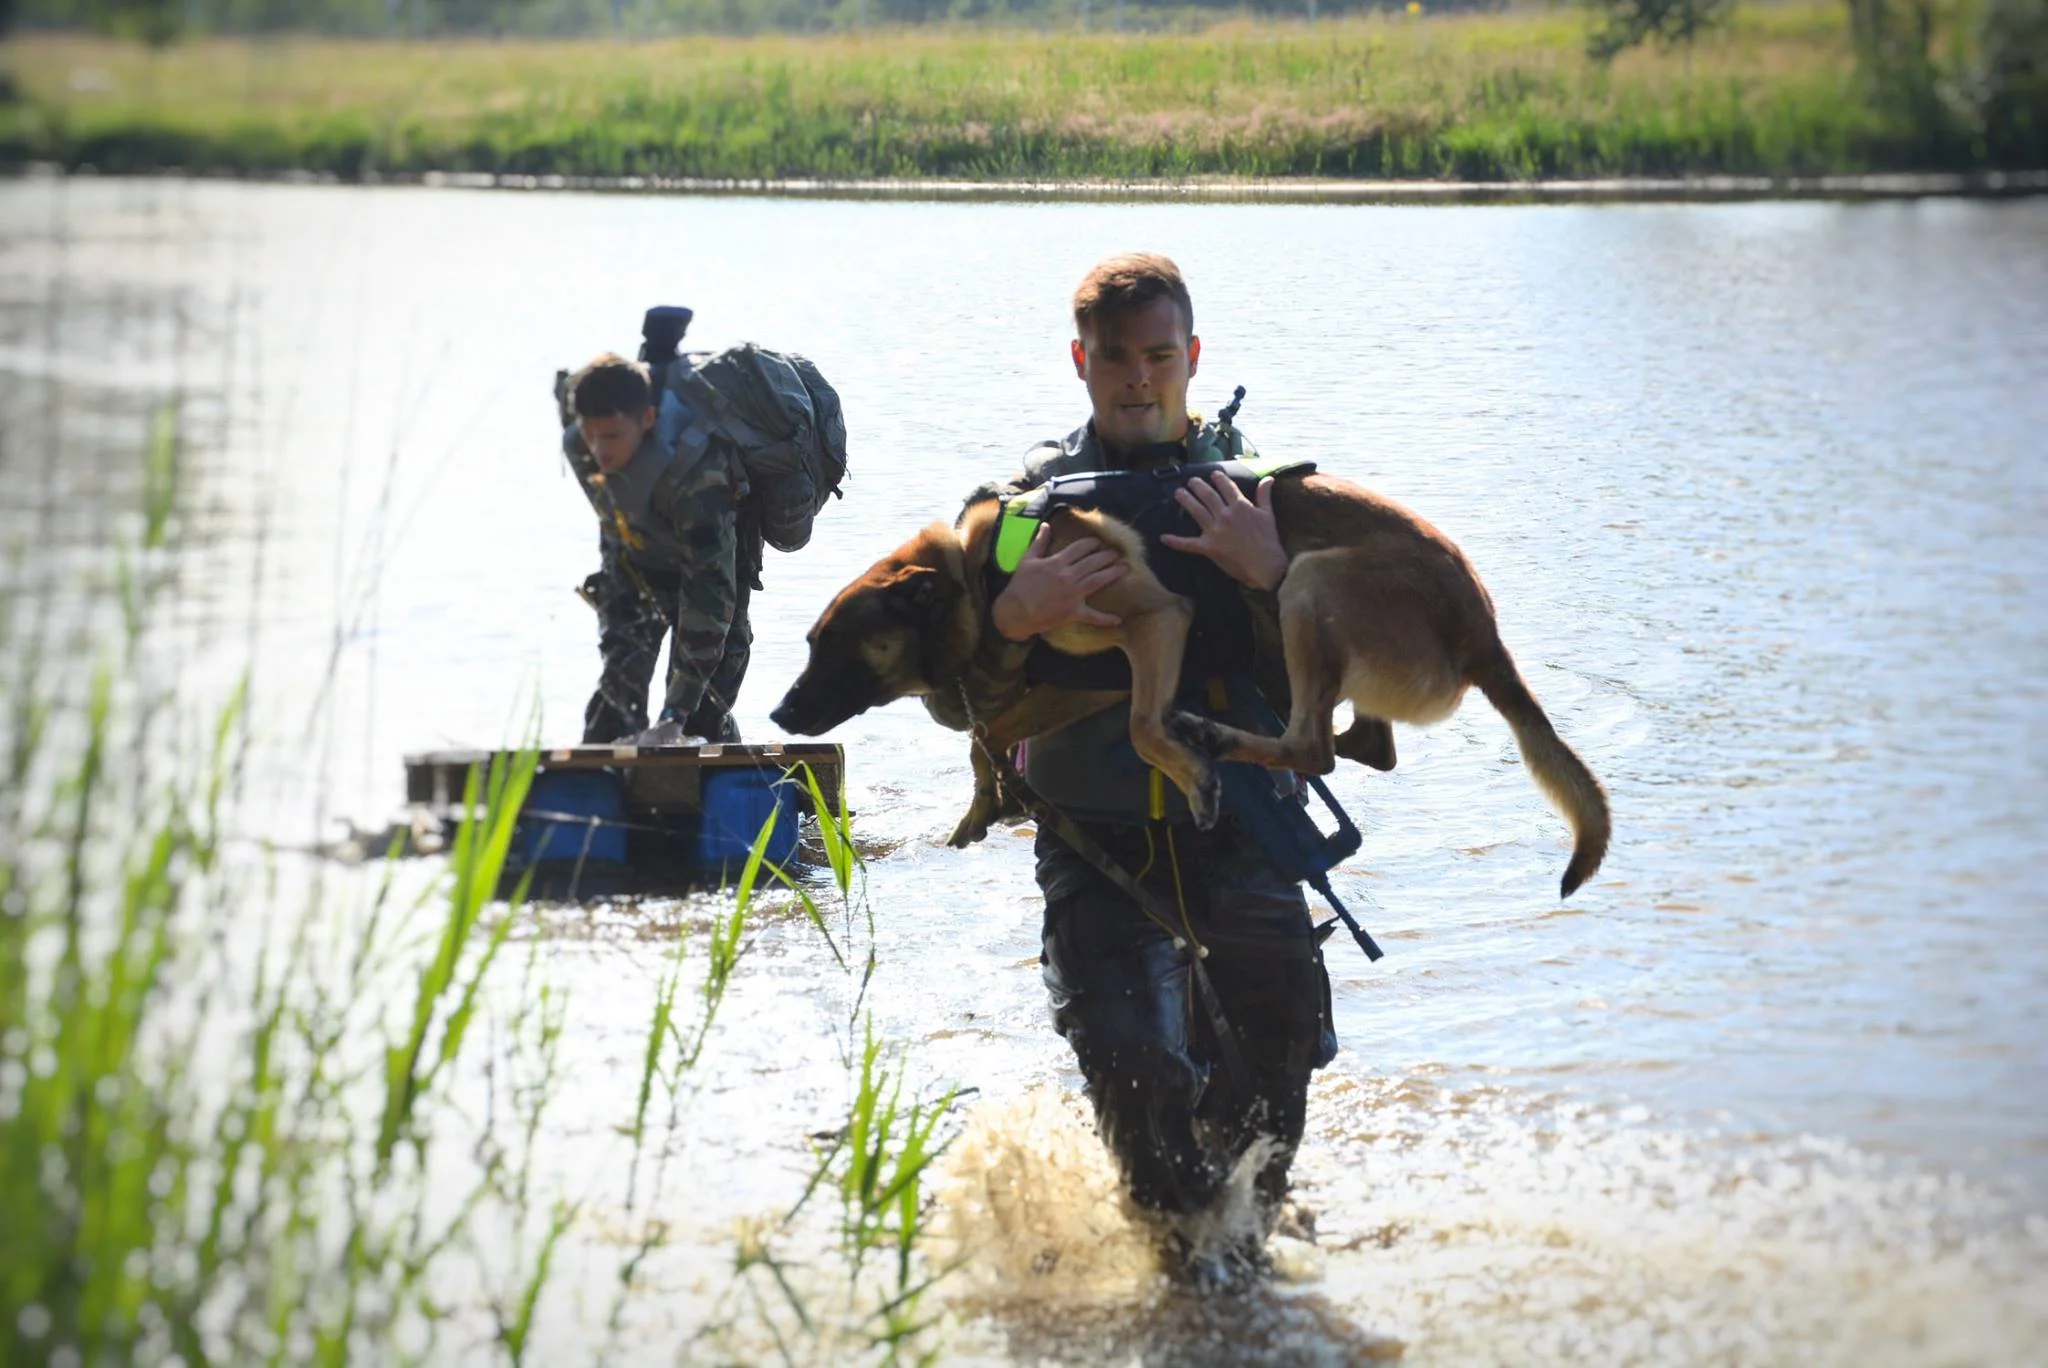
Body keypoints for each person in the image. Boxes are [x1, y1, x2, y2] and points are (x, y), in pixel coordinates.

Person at [968, 253, 1336, 1273]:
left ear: (1192, 357)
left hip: (1243, 821)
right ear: (1080, 364)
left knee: (1273, 1067)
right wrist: (1010, 618)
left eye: (1159, 356)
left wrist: (1271, 580)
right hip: (1097, 836)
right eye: (1117, 359)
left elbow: (1338, 685)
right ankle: (1184, 1272)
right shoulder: (1020, 509)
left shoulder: (1265, 497)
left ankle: (1241, 1259)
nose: (1139, 379)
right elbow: (958, 695)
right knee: (1131, 1067)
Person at [562, 353, 758, 746]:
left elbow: (710, 592)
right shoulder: (579, 445)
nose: (600, 450)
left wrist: (674, 714)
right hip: (635, 567)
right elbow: (613, 521)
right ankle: (597, 792)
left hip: (713, 572)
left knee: (699, 718)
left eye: (613, 435)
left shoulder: (697, 476)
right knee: (616, 701)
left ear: (648, 420)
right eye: (591, 433)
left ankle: (742, 787)